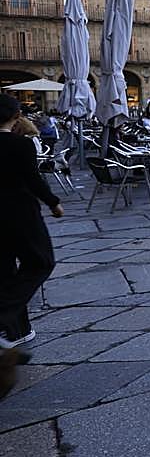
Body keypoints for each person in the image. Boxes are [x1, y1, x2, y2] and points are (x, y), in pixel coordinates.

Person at [0, 96, 63, 348]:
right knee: (40, 262)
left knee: (3, 271)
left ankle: (16, 332)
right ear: (16, 117)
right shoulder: (21, 145)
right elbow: (33, 179)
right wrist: (53, 202)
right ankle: (4, 312)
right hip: (20, 212)